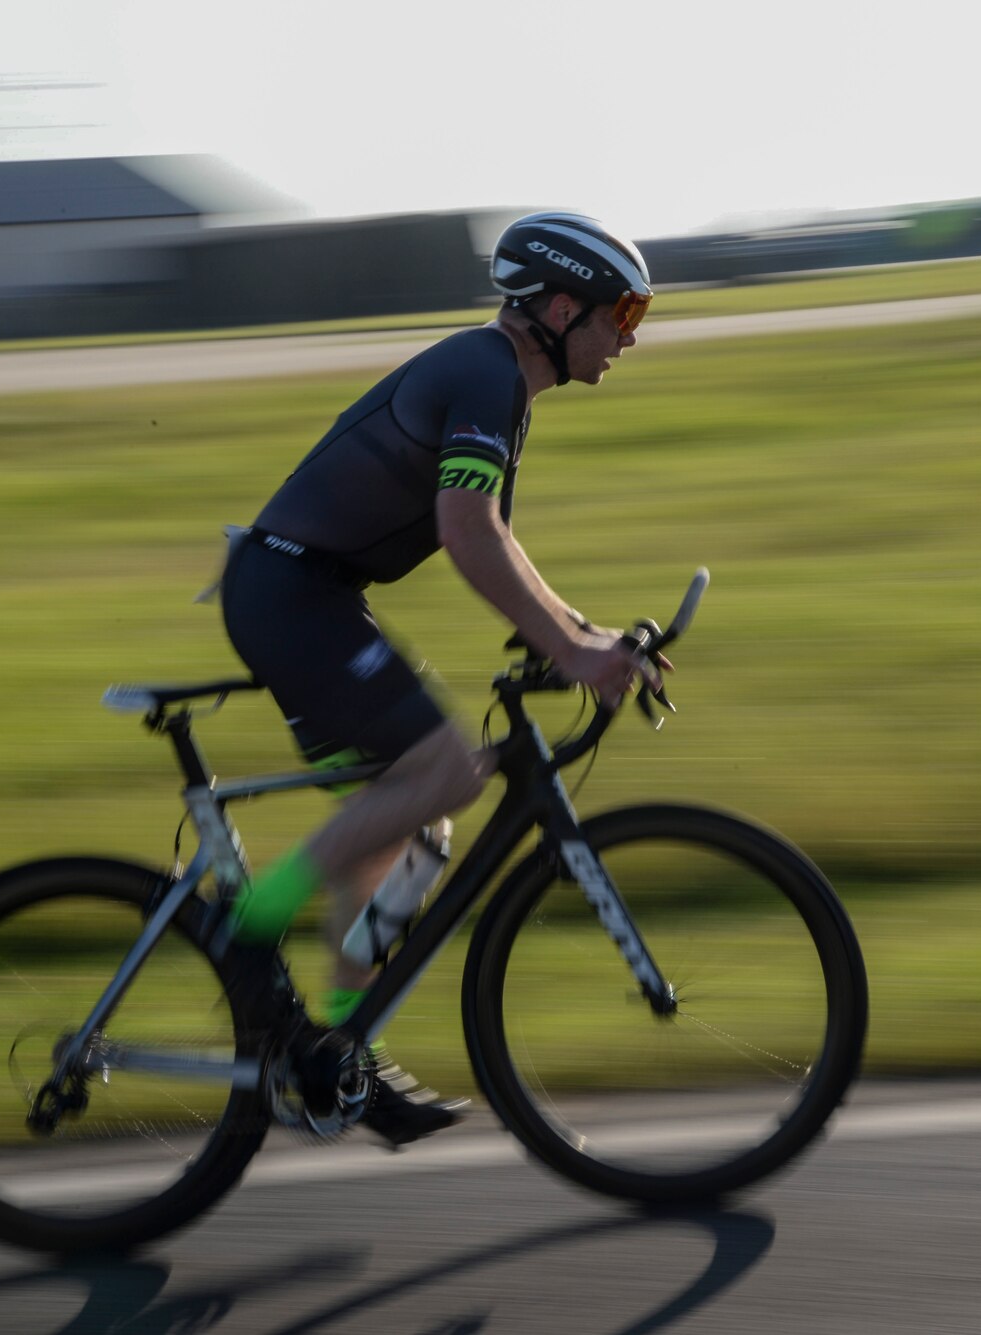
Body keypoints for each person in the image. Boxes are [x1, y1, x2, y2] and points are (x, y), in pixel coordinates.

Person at [216, 212, 662, 1147]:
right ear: (559, 303)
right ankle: (249, 919)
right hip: (292, 591)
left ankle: (337, 1053)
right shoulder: (483, 372)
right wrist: (577, 651)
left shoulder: (501, 384)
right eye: (619, 313)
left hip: (315, 593)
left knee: (422, 821)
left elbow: (497, 541)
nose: (628, 335)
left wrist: (582, 635)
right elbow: (468, 534)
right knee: (451, 767)